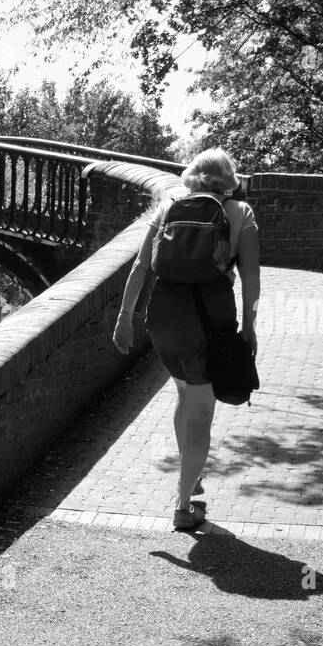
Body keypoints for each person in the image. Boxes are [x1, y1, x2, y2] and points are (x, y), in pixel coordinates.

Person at [112, 148, 260, 530]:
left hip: (163, 316)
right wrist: (249, 326)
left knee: (185, 394)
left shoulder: (168, 207)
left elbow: (141, 266)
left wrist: (125, 317)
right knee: (200, 412)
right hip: (208, 319)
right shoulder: (240, 213)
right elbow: (251, 278)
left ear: (191, 175)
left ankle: (190, 477)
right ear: (231, 180)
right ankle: (183, 505)